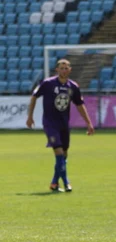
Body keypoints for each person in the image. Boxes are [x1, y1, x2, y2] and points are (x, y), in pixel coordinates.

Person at [26, 59, 94, 192]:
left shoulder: (73, 86)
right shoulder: (47, 83)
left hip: (64, 124)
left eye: (66, 68)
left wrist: (88, 123)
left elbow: (80, 105)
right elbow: (34, 97)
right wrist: (30, 116)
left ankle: (54, 183)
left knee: (64, 155)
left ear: (70, 70)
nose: (64, 70)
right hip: (50, 124)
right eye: (61, 68)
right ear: (57, 70)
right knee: (59, 152)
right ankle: (66, 183)